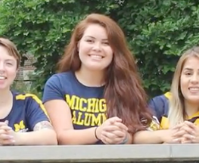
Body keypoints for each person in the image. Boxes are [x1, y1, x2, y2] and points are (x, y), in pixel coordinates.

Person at [42, 14, 154, 145]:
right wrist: (98, 132)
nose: (97, 48)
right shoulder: (58, 84)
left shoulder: (127, 86)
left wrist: (121, 137)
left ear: (114, 51)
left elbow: (134, 135)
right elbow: (62, 137)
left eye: (106, 43)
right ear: (78, 45)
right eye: (90, 41)